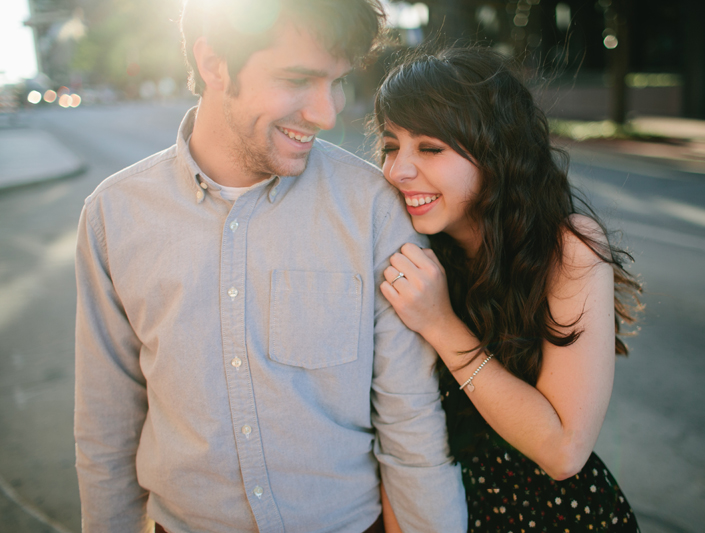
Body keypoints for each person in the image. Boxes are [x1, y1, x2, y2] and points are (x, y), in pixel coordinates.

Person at [73, 1, 468, 531]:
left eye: (335, 82)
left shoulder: (374, 207)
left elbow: (412, 423)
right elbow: (106, 430)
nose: (327, 114)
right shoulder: (113, 216)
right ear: (214, 65)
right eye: (299, 78)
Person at [372, 47, 643, 532]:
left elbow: (563, 452)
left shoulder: (568, 248)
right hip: (439, 508)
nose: (398, 169)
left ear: (495, 149)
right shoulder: (407, 246)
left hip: (551, 516)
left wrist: (441, 325)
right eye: (392, 146)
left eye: (429, 148)